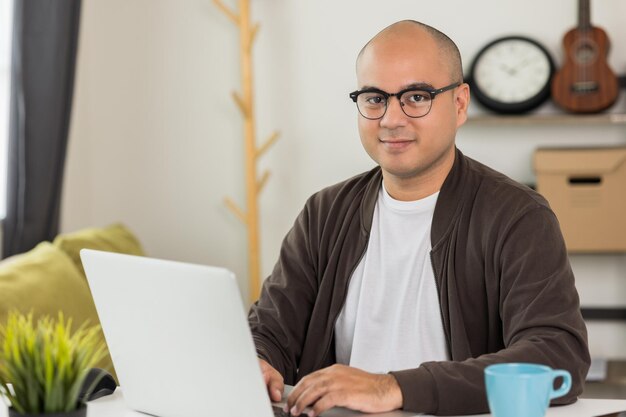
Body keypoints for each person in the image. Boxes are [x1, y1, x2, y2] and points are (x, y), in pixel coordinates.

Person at [248, 20, 590, 416]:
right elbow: (270, 328)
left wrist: (392, 388)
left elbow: (556, 353)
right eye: (375, 98)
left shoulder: (517, 216)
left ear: (459, 104)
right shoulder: (324, 213)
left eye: (416, 96)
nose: (392, 119)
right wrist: (256, 361)